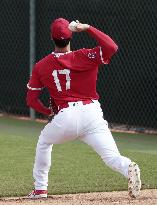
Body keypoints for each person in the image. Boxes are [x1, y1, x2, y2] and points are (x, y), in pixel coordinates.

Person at [26, 18, 141, 199]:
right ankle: (128, 167)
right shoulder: (86, 56)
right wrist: (88, 28)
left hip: (65, 117)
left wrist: (46, 111)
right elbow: (112, 47)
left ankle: (40, 189)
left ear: (52, 37)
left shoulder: (41, 66)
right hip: (92, 114)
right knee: (111, 157)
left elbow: (31, 100)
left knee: (44, 142)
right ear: (71, 36)